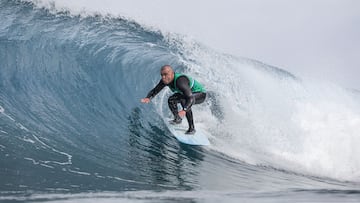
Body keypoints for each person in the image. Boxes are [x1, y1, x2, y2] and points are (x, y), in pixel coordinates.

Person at [141, 65, 206, 134]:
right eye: (162, 75)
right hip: (188, 94)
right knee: (171, 100)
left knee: (184, 101)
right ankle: (177, 119)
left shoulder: (180, 81)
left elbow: (190, 98)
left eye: (165, 74)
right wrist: (148, 97)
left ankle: (192, 128)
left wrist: (185, 109)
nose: (163, 77)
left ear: (172, 73)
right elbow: (155, 90)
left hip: (200, 94)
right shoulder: (165, 80)